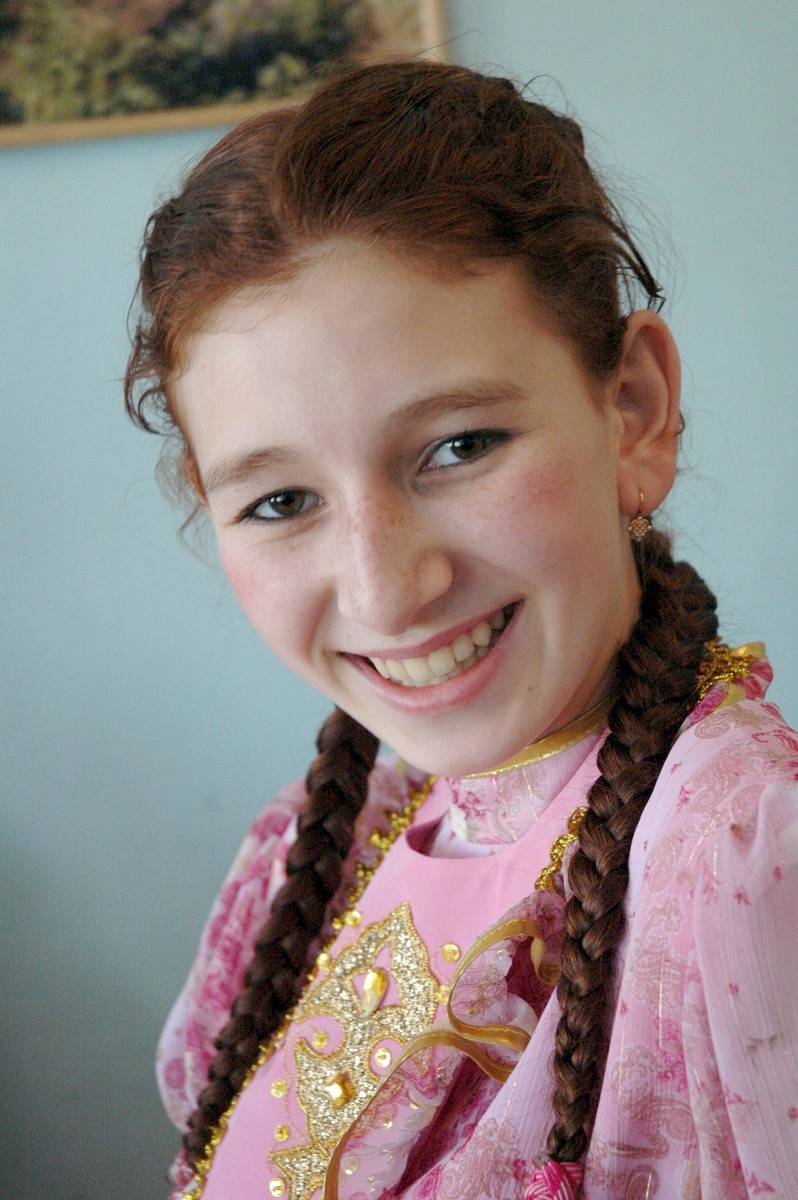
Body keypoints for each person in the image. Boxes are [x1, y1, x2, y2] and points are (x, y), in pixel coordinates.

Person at [124, 60, 798, 1200]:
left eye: (460, 447)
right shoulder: (320, 849)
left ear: (634, 410)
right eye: (281, 502)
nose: (386, 591)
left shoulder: (740, 863)